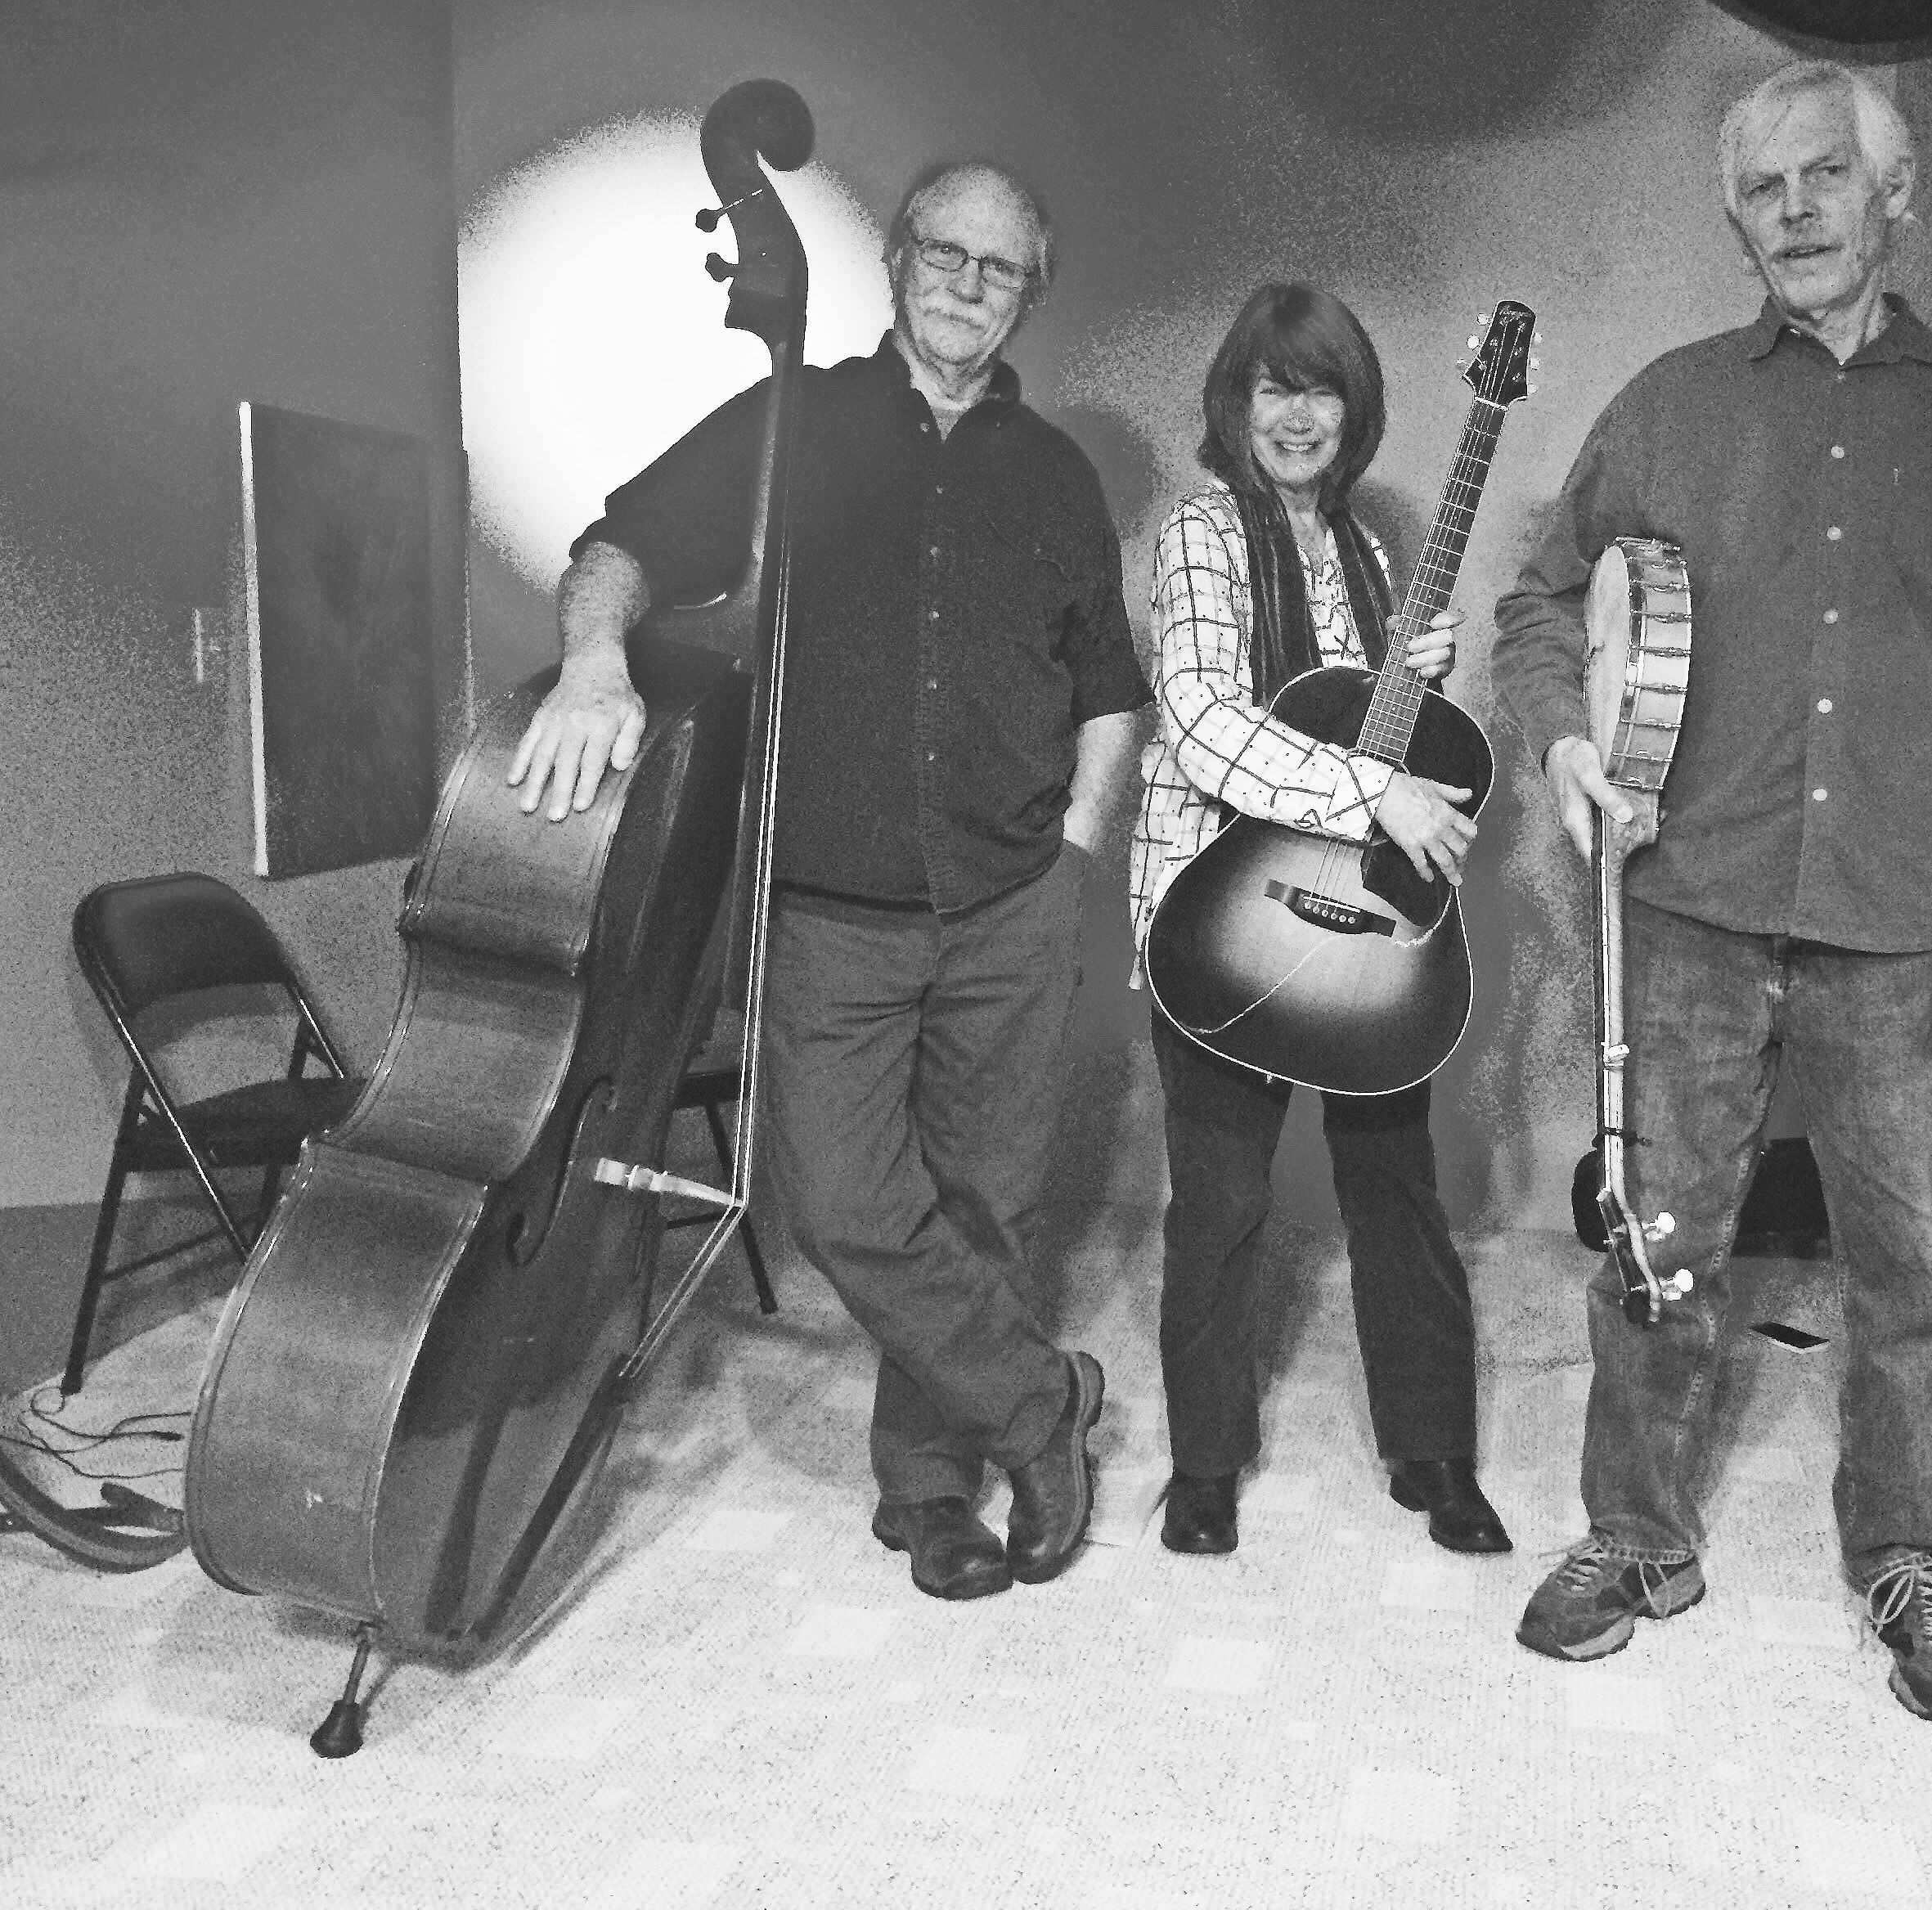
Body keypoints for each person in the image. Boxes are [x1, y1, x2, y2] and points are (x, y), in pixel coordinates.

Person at [1490, 62, 1932, 1721]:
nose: (1798, 210)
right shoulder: (1668, 405)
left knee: (1910, 1275)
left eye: (1827, 175)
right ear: (1736, 221)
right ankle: (1636, 1533)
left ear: (1895, 192)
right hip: (1689, 898)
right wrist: (1562, 742)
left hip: (1906, 921)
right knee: (1659, 1246)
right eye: (1765, 188)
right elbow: (1541, 606)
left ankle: (1909, 1556)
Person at [507, 160, 1149, 1604]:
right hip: (830, 907)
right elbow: (618, 546)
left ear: (1031, 294)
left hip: (1011, 899)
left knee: (983, 1208)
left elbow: (1109, 686)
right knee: (846, 1204)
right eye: (947, 252)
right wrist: (594, 662)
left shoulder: (1055, 474)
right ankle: (1042, 1401)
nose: (969, 284)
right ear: (900, 255)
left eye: (1001, 267)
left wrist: (1076, 849)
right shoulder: (790, 421)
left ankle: (929, 1494)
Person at [1128, 282, 1510, 1560]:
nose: (1299, 415)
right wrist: (1375, 788)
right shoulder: (1200, 532)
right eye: (1274, 386)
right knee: (1220, 1199)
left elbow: (1361, 721)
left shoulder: (1370, 554)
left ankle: (1432, 1450)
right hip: (1220, 912)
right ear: (1235, 401)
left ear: (1357, 410)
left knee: (1396, 1184)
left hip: (1364, 930)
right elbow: (1202, 718)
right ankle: (1204, 1465)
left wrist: (1418, 680)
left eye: (1324, 389)